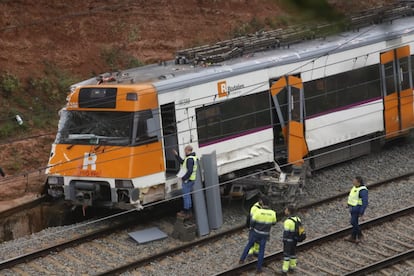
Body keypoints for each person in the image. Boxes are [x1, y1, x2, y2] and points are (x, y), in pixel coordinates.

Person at [239, 196, 276, 274]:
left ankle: (242, 260)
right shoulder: (272, 213)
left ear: (262, 203)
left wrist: (252, 228)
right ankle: (259, 269)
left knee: (249, 245)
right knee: (261, 250)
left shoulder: (258, 212)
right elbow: (274, 223)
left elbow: (252, 222)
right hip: (265, 234)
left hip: (256, 232)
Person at [173, 145, 198, 219]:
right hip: (191, 179)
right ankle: (187, 211)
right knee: (187, 196)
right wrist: (176, 155)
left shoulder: (190, 159)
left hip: (188, 180)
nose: (184, 152)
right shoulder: (191, 158)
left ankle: (187, 212)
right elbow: (182, 162)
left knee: (186, 196)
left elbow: (189, 171)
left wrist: (184, 178)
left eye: (185, 150)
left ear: (188, 150)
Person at [346, 176, 368, 243]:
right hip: (353, 207)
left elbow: (365, 201)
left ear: (358, 182)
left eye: (354, 181)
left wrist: (362, 211)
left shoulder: (363, 190)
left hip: (357, 208)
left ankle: (360, 234)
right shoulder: (355, 188)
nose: (353, 181)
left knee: (353, 222)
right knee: (355, 222)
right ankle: (353, 237)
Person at [282, 205, 302, 274]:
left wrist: (284, 240)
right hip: (295, 240)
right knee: (293, 254)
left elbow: (286, 233)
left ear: (289, 212)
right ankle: (292, 267)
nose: (285, 211)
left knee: (286, 255)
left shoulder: (287, 221)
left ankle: (284, 270)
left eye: (286, 210)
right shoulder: (297, 219)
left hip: (288, 241)